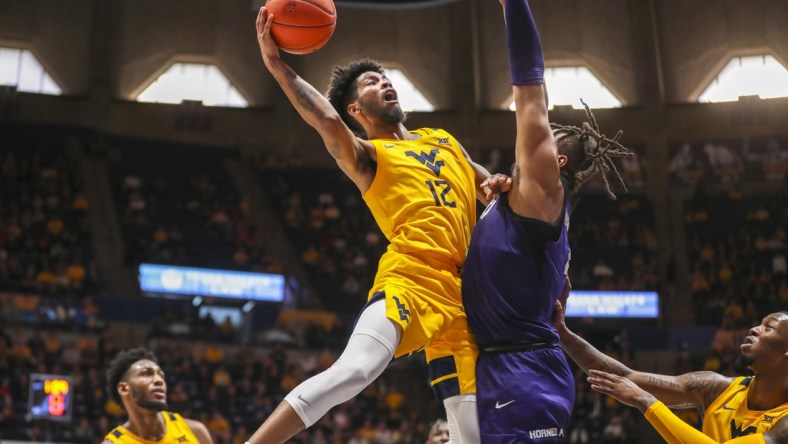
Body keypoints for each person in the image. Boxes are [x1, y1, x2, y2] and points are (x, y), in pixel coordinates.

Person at [247, 6, 509, 444]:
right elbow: (326, 121)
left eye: (385, 76)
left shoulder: (441, 140)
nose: (384, 81)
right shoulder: (368, 156)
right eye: (371, 82)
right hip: (409, 280)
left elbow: (487, 185)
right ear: (356, 109)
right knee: (354, 372)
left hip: (464, 297)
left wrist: (498, 185)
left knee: (474, 433)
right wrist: (276, 65)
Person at [461, 0, 634, 441]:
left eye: (545, 138)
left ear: (555, 161)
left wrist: (512, 5)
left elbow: (530, 92)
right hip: (509, 366)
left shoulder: (545, 185)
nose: (530, 140)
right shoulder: (524, 202)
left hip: (526, 371)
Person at [554, 293, 788, 443]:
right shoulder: (715, 388)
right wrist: (562, 332)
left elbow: (639, 393)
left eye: (768, 327)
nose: (754, 329)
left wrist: (648, 403)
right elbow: (627, 377)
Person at [102, 348, 212, 444]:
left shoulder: (196, 431)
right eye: (146, 373)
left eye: (161, 375)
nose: (159, 380)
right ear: (124, 388)